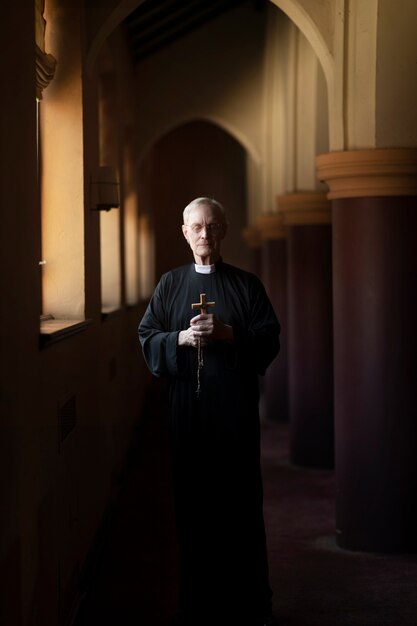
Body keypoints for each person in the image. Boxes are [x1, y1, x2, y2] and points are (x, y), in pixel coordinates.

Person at [138, 197, 280, 626]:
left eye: (213, 227)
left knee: (238, 504)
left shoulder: (247, 285)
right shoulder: (169, 284)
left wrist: (227, 333)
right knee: (193, 504)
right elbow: (148, 336)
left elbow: (269, 338)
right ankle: (198, 603)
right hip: (188, 410)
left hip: (234, 409)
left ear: (224, 231)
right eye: (197, 227)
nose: (205, 234)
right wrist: (179, 339)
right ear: (184, 232)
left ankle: (248, 602)